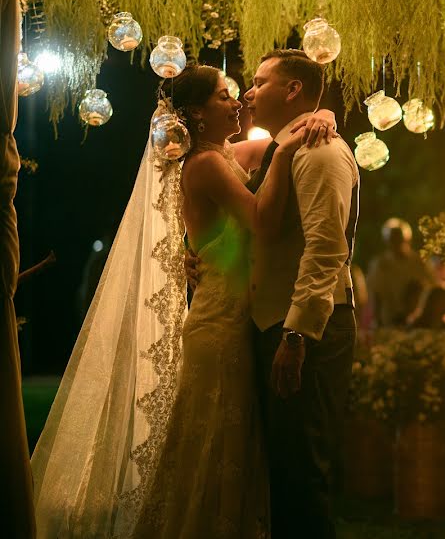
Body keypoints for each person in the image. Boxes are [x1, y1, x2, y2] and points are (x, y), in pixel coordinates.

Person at [29, 64, 337, 538]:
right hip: (219, 325)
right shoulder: (206, 165)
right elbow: (259, 219)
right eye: (223, 96)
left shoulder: (225, 155)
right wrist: (284, 151)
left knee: (223, 445)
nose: (238, 102)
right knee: (215, 446)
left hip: (232, 317)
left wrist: (326, 115)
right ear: (195, 113)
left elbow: (279, 138)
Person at [241, 49, 359, 539]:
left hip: (308, 328)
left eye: (261, 81)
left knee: (302, 473)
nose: (249, 91)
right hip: (275, 322)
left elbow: (326, 249)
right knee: (282, 471)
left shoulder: (321, 152)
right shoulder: (282, 146)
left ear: (292, 90)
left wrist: (295, 336)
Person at [367, 218, 432, 327]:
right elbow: (375, 295)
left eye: (399, 239)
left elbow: (430, 288)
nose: (396, 243)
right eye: (393, 239)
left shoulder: (419, 262)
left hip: (415, 321)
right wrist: (377, 320)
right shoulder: (380, 265)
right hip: (388, 320)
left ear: (407, 239)